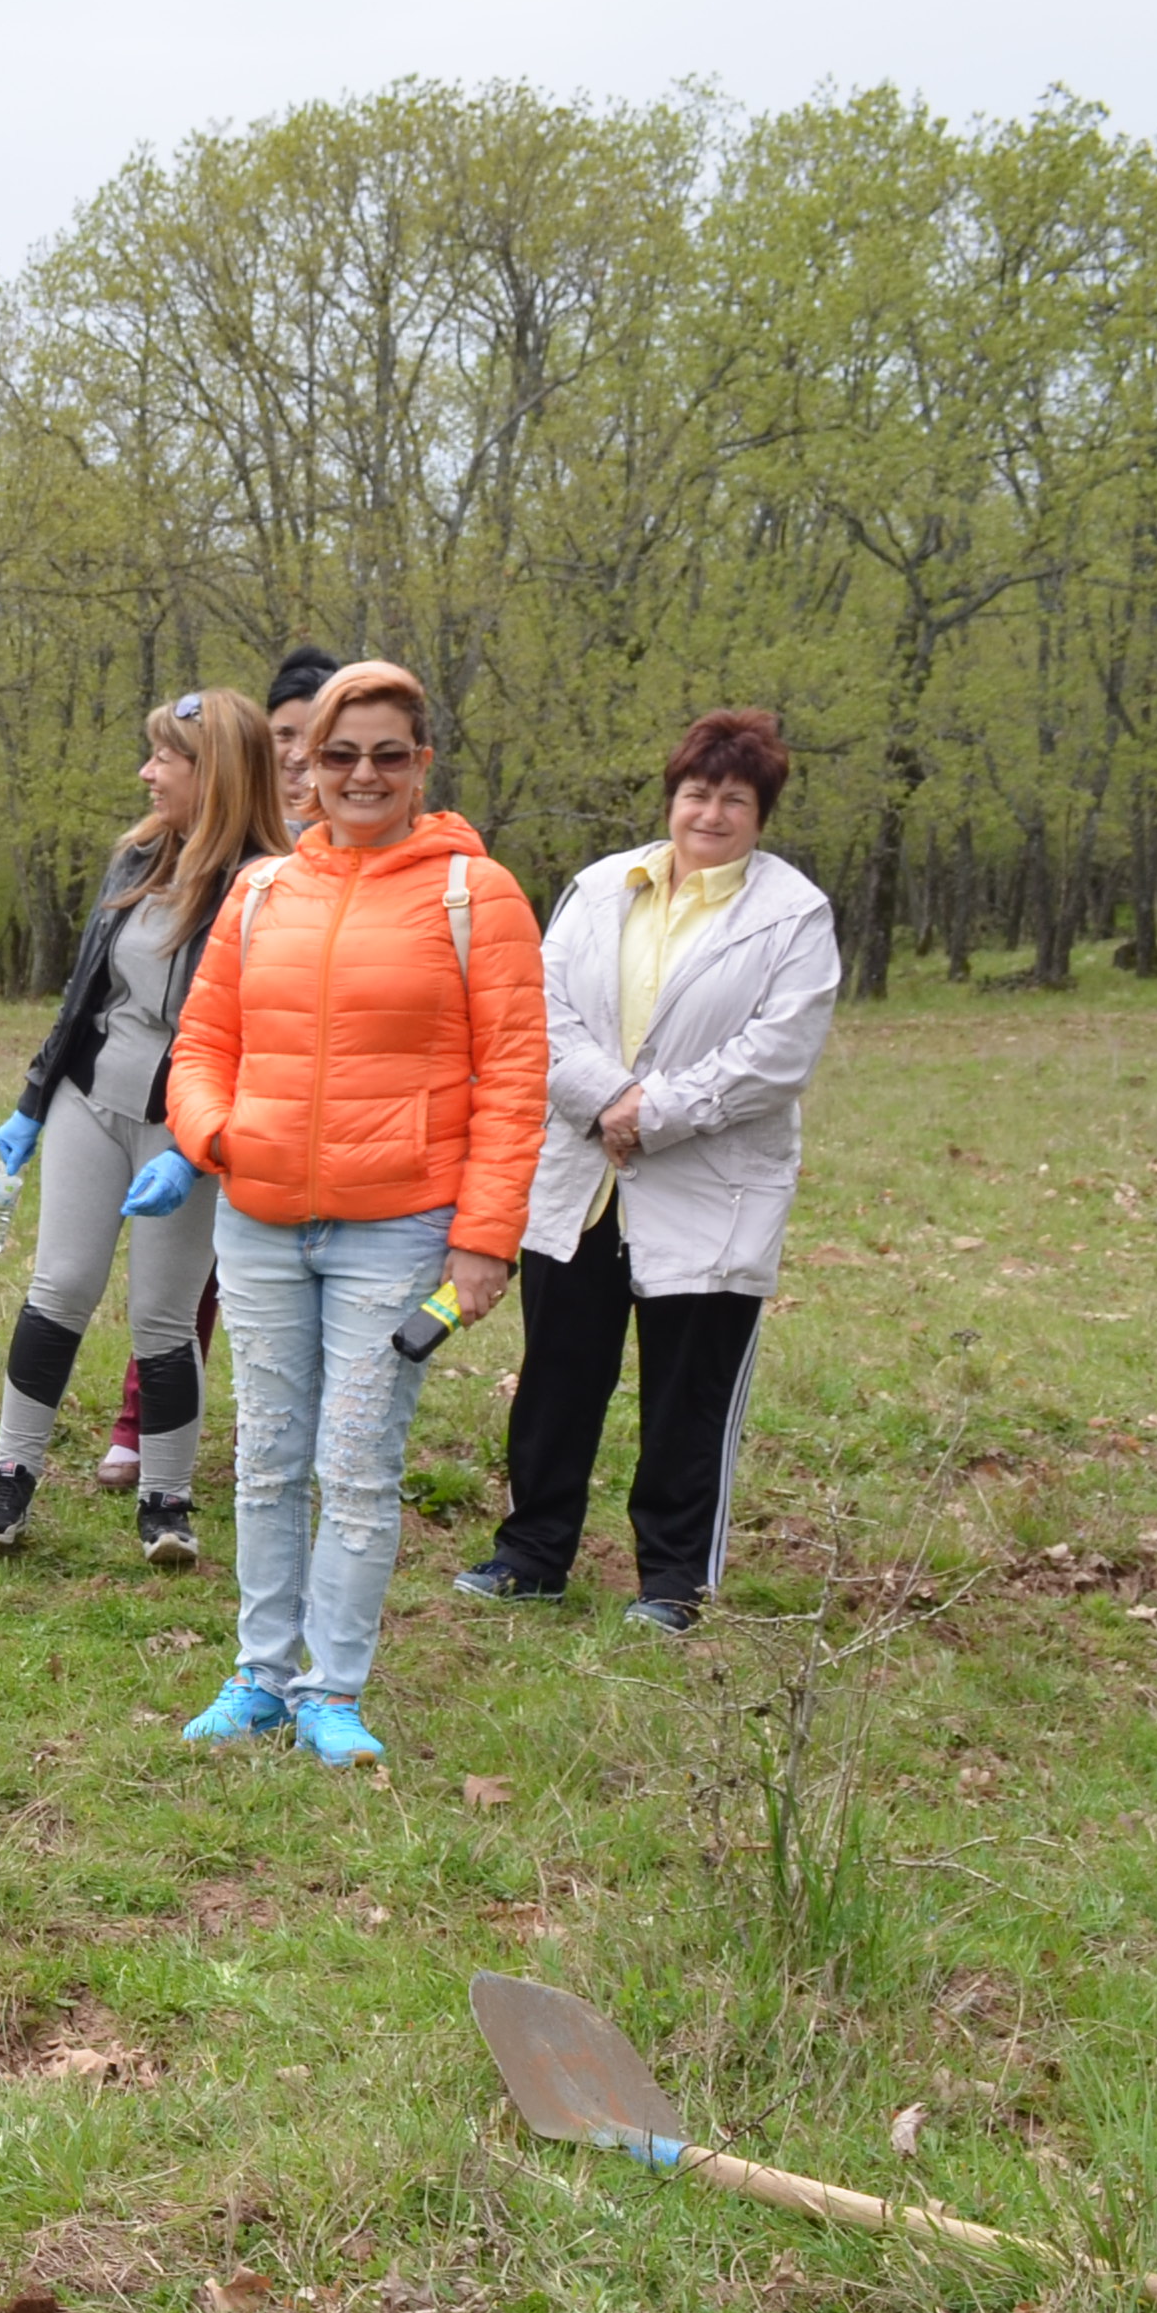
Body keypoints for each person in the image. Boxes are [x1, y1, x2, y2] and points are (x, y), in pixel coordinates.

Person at [161, 658, 548, 1766]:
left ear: (419, 763)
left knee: (356, 1462)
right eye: (338, 755)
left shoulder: (479, 896)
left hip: (398, 1224)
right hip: (262, 1218)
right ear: (305, 769)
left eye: (386, 754)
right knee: (269, 1454)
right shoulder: (260, 892)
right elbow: (202, 1045)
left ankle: (333, 1688)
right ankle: (259, 1678)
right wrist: (215, 1137)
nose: (360, 774)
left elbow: (514, 1080)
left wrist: (482, 1240)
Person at [456, 711, 840, 1632]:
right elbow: (537, 1008)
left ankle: (672, 1580)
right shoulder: (598, 889)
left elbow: (777, 1055)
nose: (712, 812)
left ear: (761, 813)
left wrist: (652, 1113)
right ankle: (532, 1553)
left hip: (708, 1186)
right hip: (586, 1181)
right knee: (557, 1376)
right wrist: (605, 1100)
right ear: (672, 797)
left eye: (735, 799)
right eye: (698, 792)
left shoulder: (794, 915)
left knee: (688, 1390)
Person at [0, 687, 289, 1570]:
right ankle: (10, 1475)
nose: (148, 773)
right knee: (59, 1286)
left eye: (166, 759)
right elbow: (84, 996)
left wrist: (196, 1147)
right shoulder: (136, 857)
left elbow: (264, 1036)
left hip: (188, 1120)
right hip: (91, 1100)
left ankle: (168, 1500)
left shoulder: (269, 888)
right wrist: (32, 1104)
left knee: (164, 1315)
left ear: (214, 773)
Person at [99, 647, 329, 1492]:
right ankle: (142, 1420)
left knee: (286, 1273)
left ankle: (288, 1439)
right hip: (204, 1095)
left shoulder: (339, 852)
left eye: (317, 738)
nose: (300, 755)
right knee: (184, 1275)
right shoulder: (211, 851)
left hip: (301, 1103)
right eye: (284, 736)